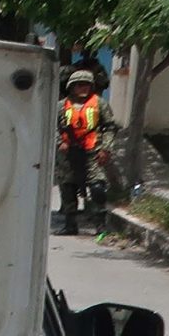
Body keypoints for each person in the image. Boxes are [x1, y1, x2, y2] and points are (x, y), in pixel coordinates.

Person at [57, 68, 112, 235]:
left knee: (97, 187)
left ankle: (100, 225)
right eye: (80, 85)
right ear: (72, 87)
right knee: (68, 188)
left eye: (87, 85)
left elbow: (109, 127)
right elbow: (52, 127)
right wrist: (60, 142)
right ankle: (70, 224)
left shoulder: (99, 103)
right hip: (68, 154)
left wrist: (106, 148)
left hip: (92, 152)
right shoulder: (61, 106)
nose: (84, 88)